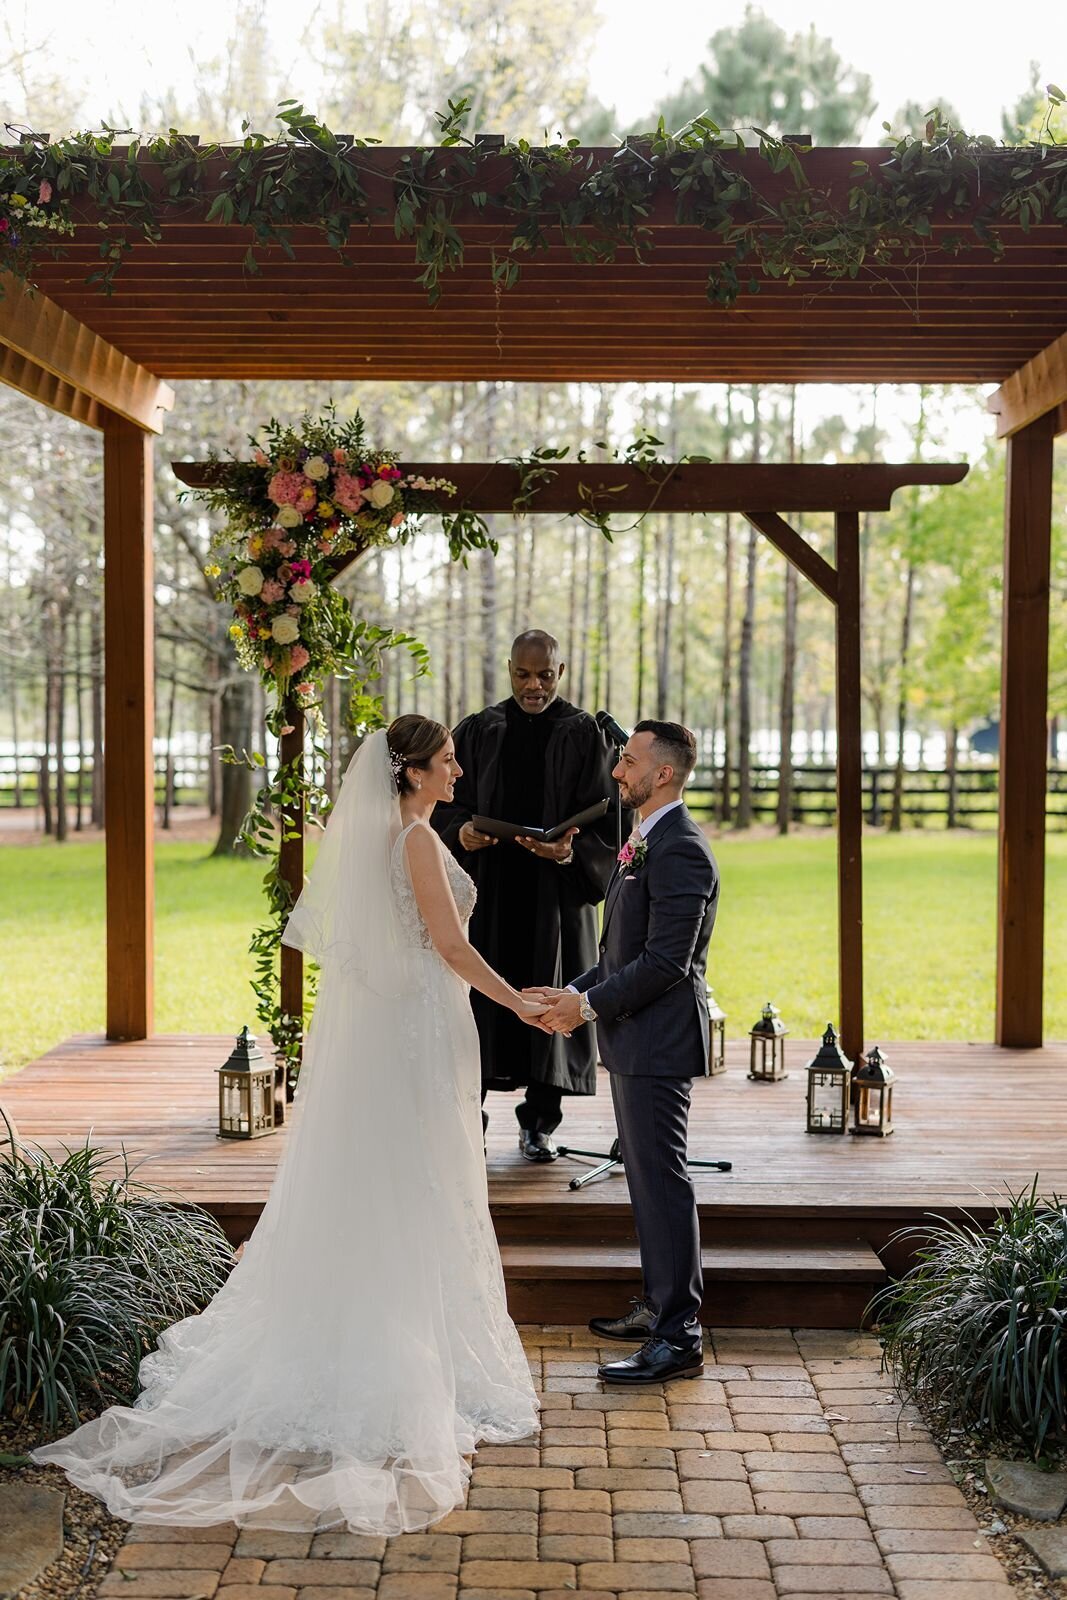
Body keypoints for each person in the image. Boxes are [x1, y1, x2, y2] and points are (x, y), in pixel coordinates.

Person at [33, 717, 542, 1533]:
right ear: (410, 773)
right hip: (418, 1026)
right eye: (447, 762)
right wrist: (520, 1001)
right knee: (417, 1182)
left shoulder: (402, 838)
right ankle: (399, 1365)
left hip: (404, 1026)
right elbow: (447, 945)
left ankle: (392, 1344)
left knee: (394, 1181)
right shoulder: (411, 842)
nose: (458, 772)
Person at [528, 720, 719, 1386]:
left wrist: (584, 1007)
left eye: (629, 761)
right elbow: (619, 954)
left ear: (662, 774)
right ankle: (661, 1306)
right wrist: (572, 990)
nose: (617, 772)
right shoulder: (645, 840)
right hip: (633, 1037)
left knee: (662, 1184)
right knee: (645, 1183)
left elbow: (666, 962)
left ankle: (678, 1336)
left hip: (659, 1041)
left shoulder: (681, 849)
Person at [434, 630, 624, 1161]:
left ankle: (539, 1123)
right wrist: (461, 835)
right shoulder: (478, 730)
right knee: (481, 1005)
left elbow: (612, 815)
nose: (533, 685)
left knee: (548, 998)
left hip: (554, 896)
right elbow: (443, 801)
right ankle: (471, 1115)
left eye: (545, 675)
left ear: (560, 672)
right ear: (510, 668)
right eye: (523, 674)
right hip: (489, 890)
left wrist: (567, 853)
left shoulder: (587, 734)